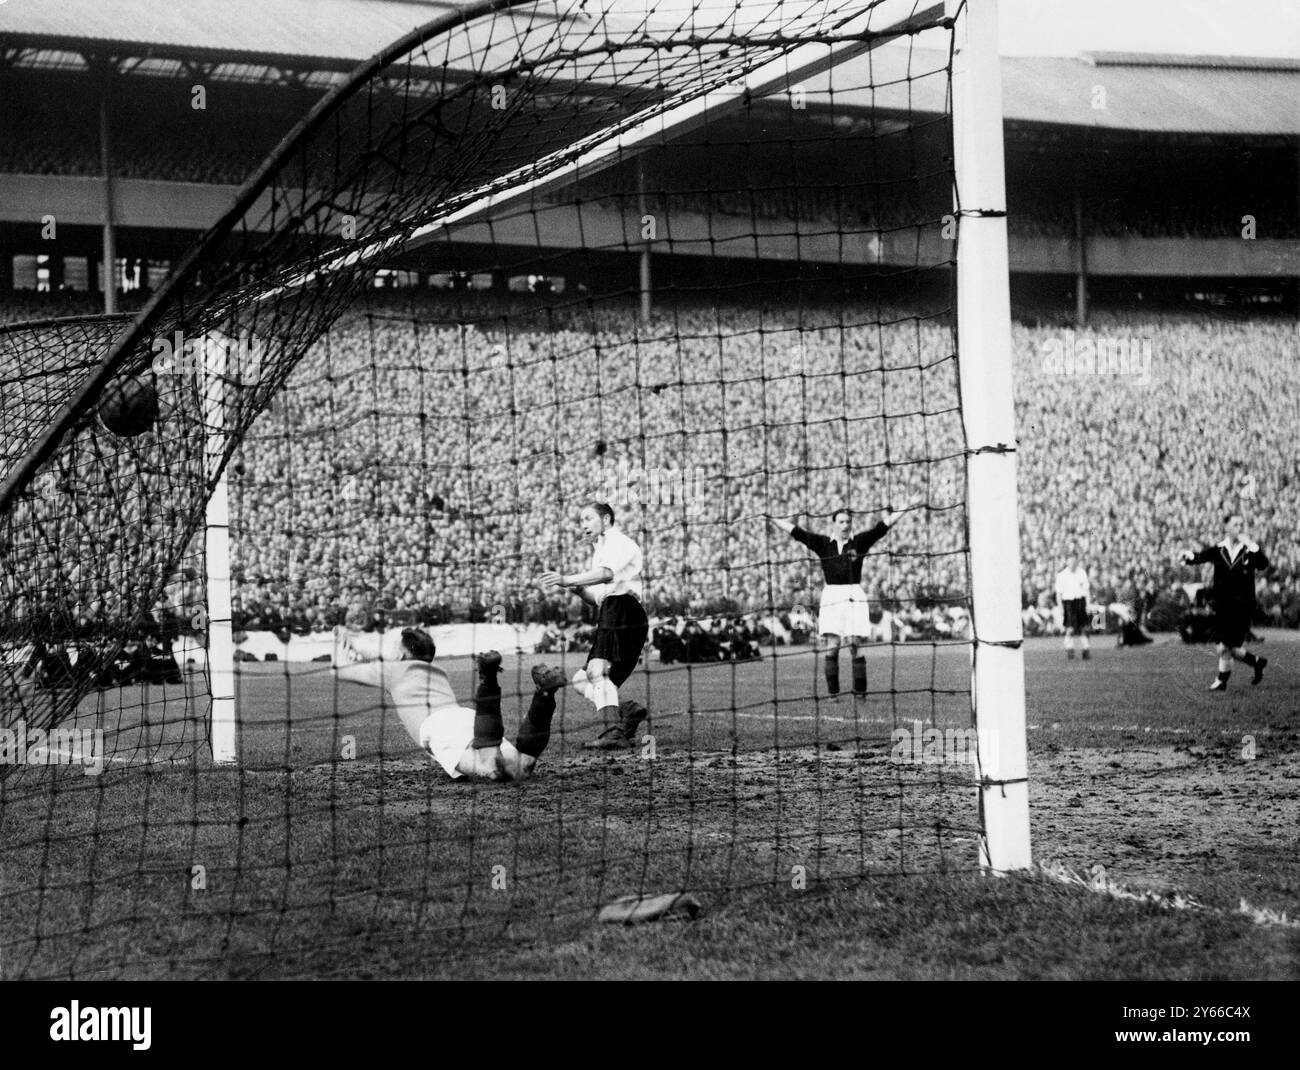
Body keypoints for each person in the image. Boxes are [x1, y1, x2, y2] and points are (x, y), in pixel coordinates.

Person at [334, 626, 567, 780]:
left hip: (439, 727)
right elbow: (382, 652)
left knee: (491, 769)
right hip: (467, 718)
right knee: (520, 767)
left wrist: (341, 642)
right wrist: (354, 642)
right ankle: (542, 696)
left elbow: (341, 670)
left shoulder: (394, 670)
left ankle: (489, 679)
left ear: (402, 655)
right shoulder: (438, 670)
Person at [536, 501, 649, 749]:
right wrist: (579, 591)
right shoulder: (602, 549)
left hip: (622, 610)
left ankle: (614, 733)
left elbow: (606, 574)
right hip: (616, 610)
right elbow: (598, 598)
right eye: (581, 521)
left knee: (597, 671)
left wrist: (567, 579)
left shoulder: (616, 541)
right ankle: (628, 710)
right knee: (580, 679)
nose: (583, 525)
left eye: (588, 518)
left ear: (606, 519)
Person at [768, 505, 908, 697]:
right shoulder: (823, 543)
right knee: (832, 644)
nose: (845, 525)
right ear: (833, 524)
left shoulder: (859, 542)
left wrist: (905, 508)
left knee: (853, 643)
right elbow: (796, 532)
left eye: (848, 522)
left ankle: (860, 694)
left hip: (854, 595)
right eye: (841, 521)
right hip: (832, 596)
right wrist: (773, 519)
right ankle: (833, 695)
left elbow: (882, 527)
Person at [1181, 513, 1269, 691]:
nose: (1239, 528)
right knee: (1231, 649)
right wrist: (1187, 556)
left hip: (1242, 607)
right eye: (1235, 524)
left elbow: (1263, 564)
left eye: (1241, 524)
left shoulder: (1248, 550)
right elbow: (1199, 557)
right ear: (1227, 527)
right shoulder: (1219, 549)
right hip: (1222, 606)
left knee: (1223, 647)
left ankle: (1222, 681)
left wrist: (1251, 544)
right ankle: (1257, 663)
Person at [1054, 554, 1092, 660]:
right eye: (1070, 562)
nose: (1072, 564)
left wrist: (1088, 605)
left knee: (1084, 628)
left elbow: (1086, 591)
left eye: (1074, 562)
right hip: (1068, 603)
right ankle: (1070, 649)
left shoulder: (1082, 573)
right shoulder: (1061, 575)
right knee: (1070, 629)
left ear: (1077, 562)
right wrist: (1061, 607)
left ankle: (1086, 649)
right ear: (1067, 562)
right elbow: (1059, 594)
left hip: (1080, 602)